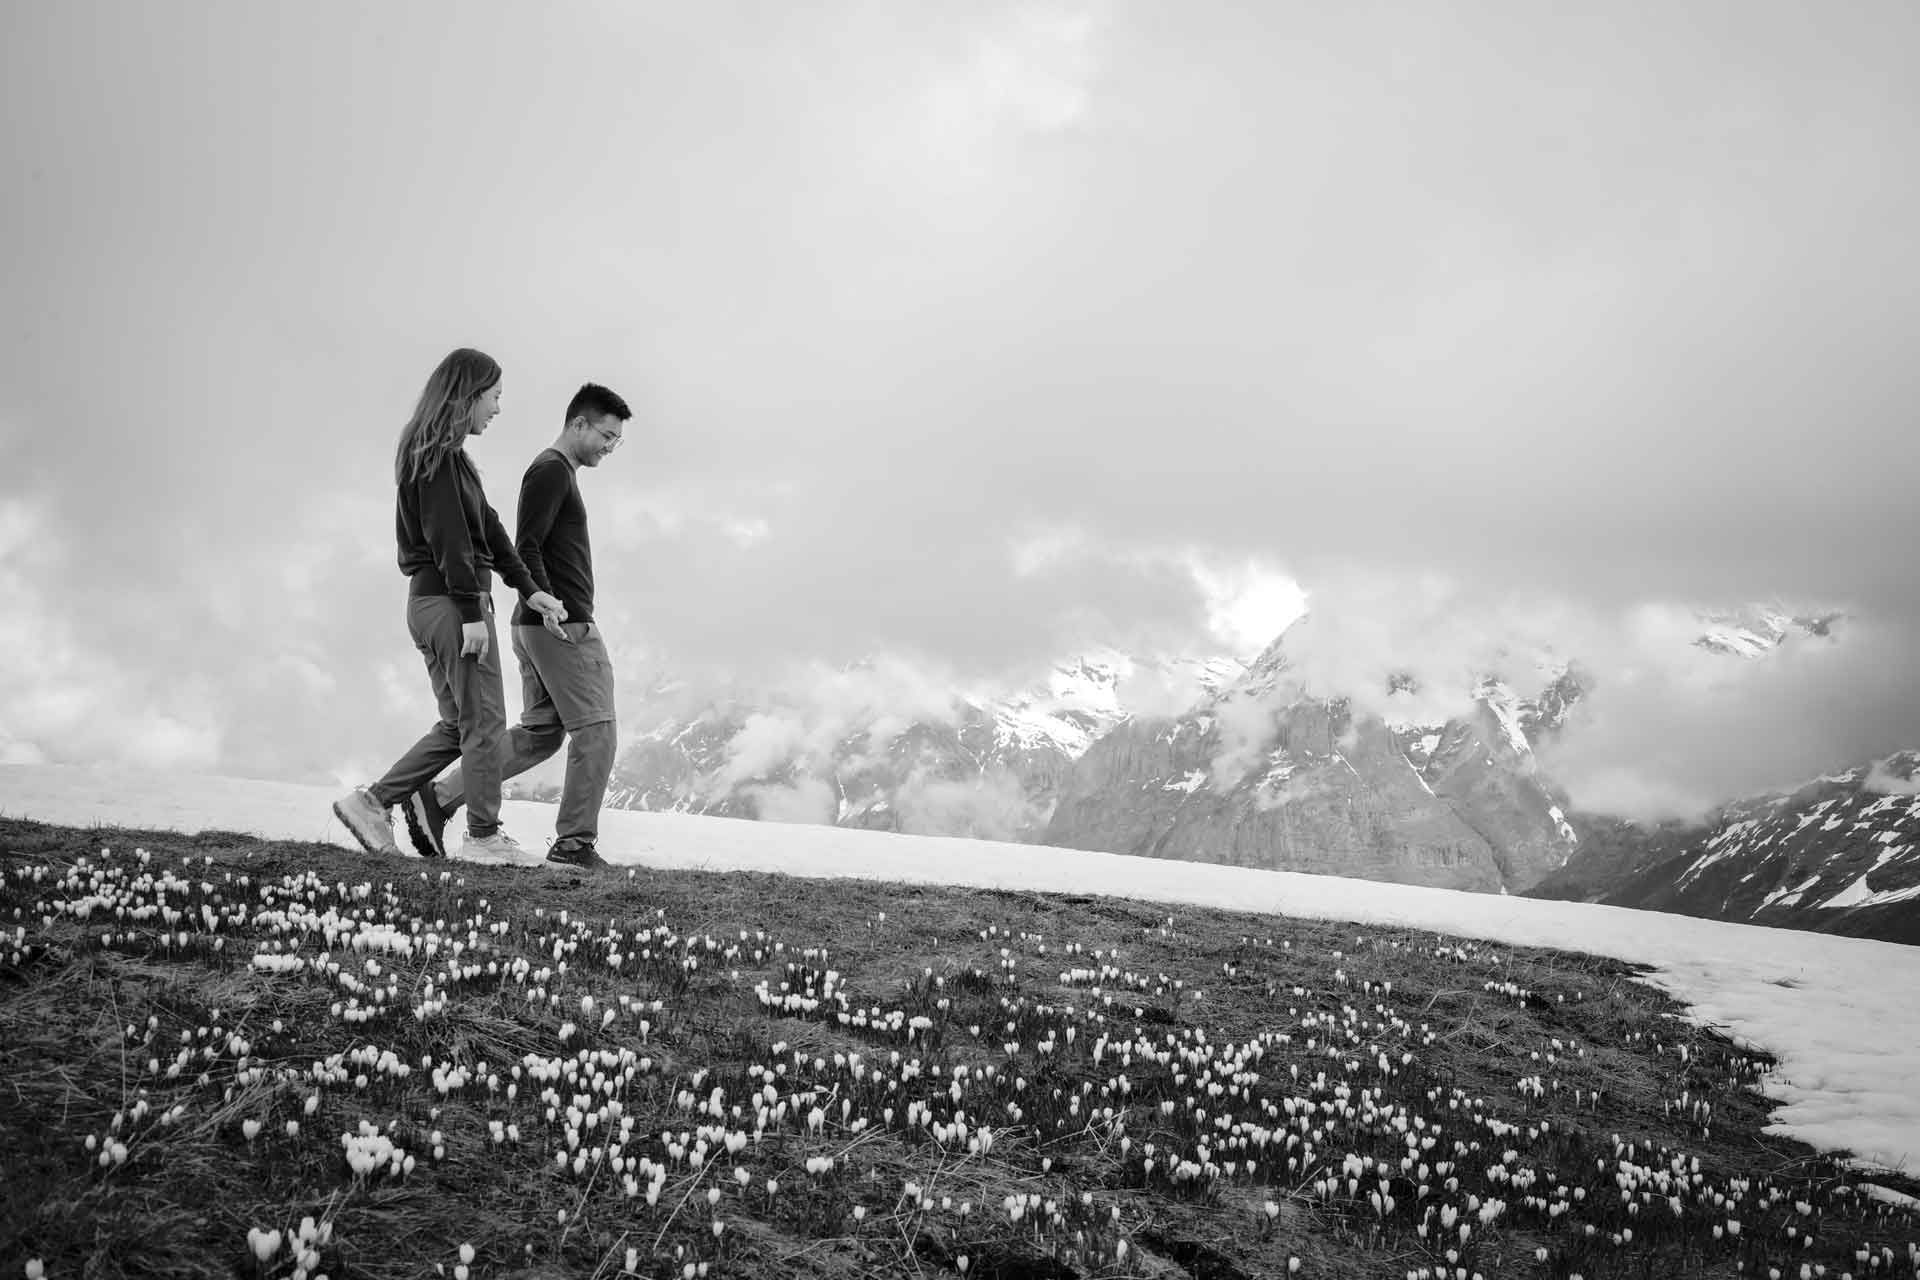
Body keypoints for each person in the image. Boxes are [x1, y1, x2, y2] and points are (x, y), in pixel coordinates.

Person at [332, 347, 567, 859]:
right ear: (469, 394)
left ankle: (374, 801)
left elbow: (491, 529)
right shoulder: (438, 457)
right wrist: (470, 613)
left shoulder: (446, 458)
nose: (498, 409)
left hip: (430, 603)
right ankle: (483, 837)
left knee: (461, 723)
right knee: (483, 724)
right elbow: (451, 540)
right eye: (495, 397)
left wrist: (529, 588)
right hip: (452, 602)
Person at [399, 382, 630, 870]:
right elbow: (525, 545)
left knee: (542, 734)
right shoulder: (550, 471)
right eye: (606, 436)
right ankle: (573, 845)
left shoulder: (558, 472)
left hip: (538, 623)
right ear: (578, 423)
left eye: (617, 441)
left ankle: (438, 800)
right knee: (598, 731)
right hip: (560, 624)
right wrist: (549, 605)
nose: (610, 447)